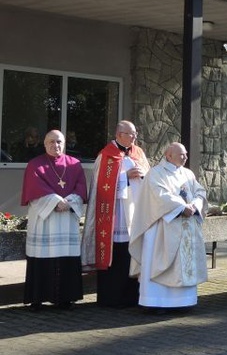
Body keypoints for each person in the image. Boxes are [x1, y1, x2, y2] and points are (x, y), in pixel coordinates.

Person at [129, 142, 208, 313]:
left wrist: (194, 204)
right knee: (158, 262)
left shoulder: (188, 174)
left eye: (186, 154)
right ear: (168, 155)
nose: (185, 157)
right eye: (181, 154)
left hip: (186, 227)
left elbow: (200, 192)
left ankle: (183, 301)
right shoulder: (156, 173)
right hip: (162, 229)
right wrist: (182, 207)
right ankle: (157, 302)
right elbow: (159, 196)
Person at [81, 120, 150, 307]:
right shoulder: (106, 155)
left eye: (135, 133)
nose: (134, 137)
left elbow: (150, 180)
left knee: (133, 252)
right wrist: (125, 177)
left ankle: (132, 296)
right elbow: (100, 187)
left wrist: (143, 175)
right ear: (119, 134)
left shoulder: (139, 153)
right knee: (117, 254)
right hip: (115, 214)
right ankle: (112, 297)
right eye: (131, 134)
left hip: (136, 212)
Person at [21, 130, 88, 310]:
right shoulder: (35, 165)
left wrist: (70, 202)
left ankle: (65, 298)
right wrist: (56, 202)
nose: (55, 145)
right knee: (42, 257)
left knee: (67, 257)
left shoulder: (74, 164)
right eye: (51, 142)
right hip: (45, 221)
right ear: (44, 144)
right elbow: (34, 189)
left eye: (58, 141)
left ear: (64, 143)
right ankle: (38, 299)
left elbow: (81, 187)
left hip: (66, 220)